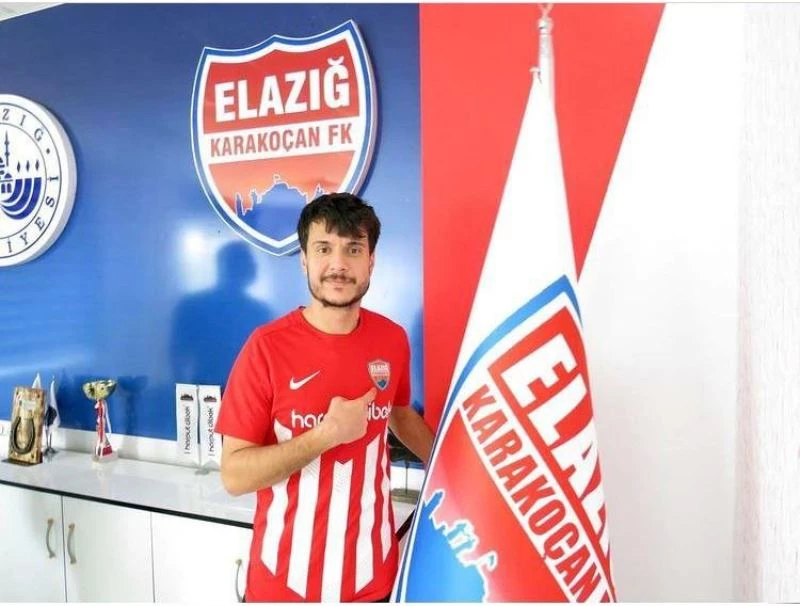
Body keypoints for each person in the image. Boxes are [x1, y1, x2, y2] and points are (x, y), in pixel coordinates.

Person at [217, 192, 434, 602]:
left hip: (373, 580)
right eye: (323, 248)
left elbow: (400, 413)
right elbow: (234, 476)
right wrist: (325, 435)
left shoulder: (392, 339)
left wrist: (448, 468)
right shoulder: (266, 348)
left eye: (353, 249)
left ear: (371, 260)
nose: (339, 264)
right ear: (304, 260)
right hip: (283, 587)